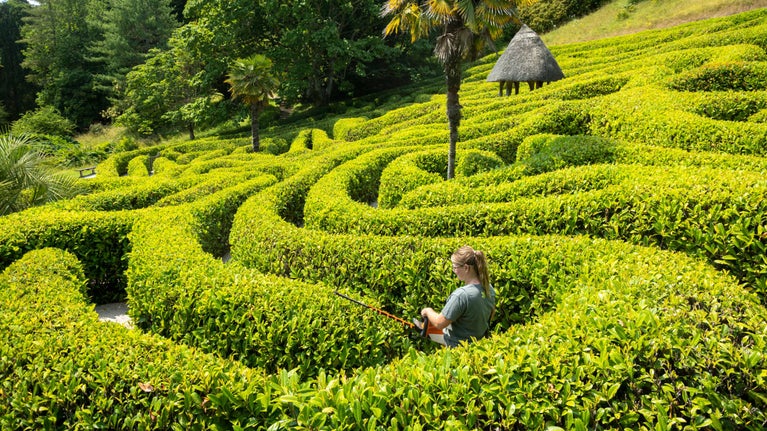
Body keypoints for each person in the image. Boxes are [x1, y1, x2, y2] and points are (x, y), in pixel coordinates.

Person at [417, 245, 496, 348]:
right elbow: (490, 313)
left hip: (458, 346)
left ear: (466, 268)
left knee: (429, 327)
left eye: (455, 267)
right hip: (479, 344)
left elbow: (439, 323)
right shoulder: (488, 288)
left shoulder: (461, 295)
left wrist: (427, 311)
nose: (454, 271)